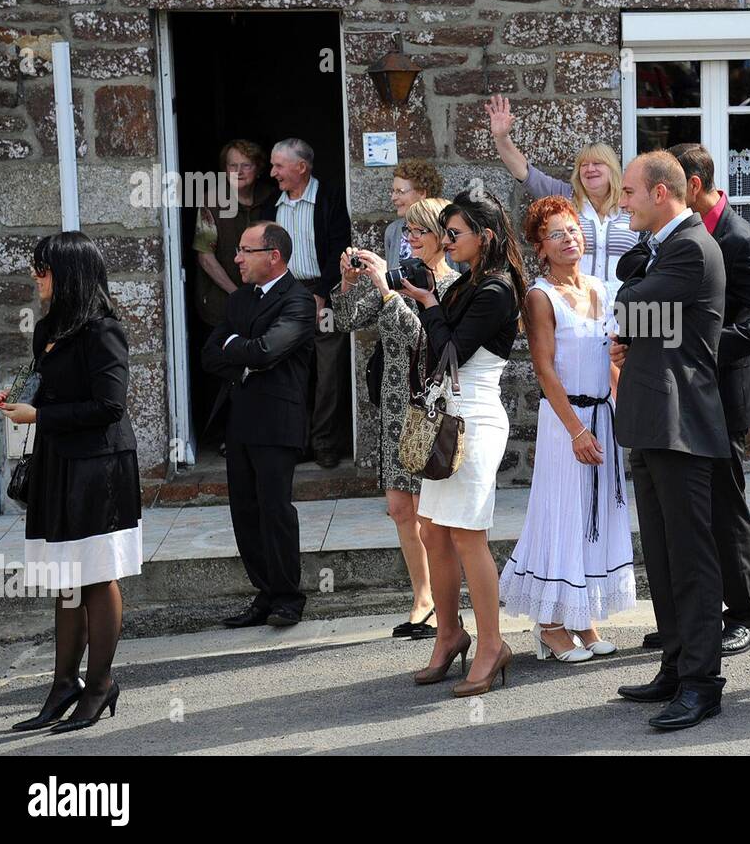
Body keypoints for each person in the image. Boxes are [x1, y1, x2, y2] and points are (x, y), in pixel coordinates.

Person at [631, 144, 750, 656]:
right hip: (676, 392)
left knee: (723, 507)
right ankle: (687, 622)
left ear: (690, 187)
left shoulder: (738, 238)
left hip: (720, 391)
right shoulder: (668, 239)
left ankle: (744, 614)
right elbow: (633, 279)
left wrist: (702, 348)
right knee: (681, 519)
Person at [0, 232, 142, 733]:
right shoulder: (50, 328)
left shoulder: (103, 330)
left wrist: (38, 412)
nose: (36, 277)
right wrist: (17, 394)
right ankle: (65, 683)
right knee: (65, 576)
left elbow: (110, 406)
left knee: (97, 575)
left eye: (44, 269)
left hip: (100, 465)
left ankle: (101, 684)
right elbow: (45, 380)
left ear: (71, 274)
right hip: (59, 460)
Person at [613, 150, 730, 731]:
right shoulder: (666, 247)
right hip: (656, 419)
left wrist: (630, 319)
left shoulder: (688, 247)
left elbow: (628, 305)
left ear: (662, 193)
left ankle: (703, 682)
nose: (622, 201)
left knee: (691, 557)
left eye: (630, 191)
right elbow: (635, 301)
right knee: (661, 556)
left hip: (681, 422)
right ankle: (676, 664)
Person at [500, 196, 635, 663]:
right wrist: (577, 431)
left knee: (595, 518)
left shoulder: (599, 286)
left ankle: (581, 617)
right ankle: (551, 625)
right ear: (540, 247)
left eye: (573, 229)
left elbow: (609, 361)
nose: (569, 238)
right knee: (563, 513)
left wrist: (625, 412)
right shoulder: (540, 296)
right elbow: (544, 371)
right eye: (556, 233)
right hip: (566, 424)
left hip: (605, 417)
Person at [405, 188, 525, 697]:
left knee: (466, 534)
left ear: (486, 236)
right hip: (448, 415)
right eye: (445, 233)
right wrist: (431, 296)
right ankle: (450, 633)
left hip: (473, 417)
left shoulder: (496, 289)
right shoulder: (466, 283)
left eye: (454, 234)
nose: (446, 241)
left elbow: (450, 349)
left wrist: (428, 303)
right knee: (432, 530)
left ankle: (493, 643)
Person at [335, 197, 461, 639]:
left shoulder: (452, 287)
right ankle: (422, 596)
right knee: (398, 508)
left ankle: (443, 604)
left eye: (417, 232)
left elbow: (423, 340)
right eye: (406, 232)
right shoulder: (400, 276)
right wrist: (349, 282)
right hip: (391, 407)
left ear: (441, 238)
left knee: (429, 515)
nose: (408, 239)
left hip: (426, 406)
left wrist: (389, 293)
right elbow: (347, 320)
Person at [202, 222, 316, 628]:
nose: (236, 259)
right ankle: (265, 593)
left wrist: (238, 347)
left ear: (274, 256)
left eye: (244, 251)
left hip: (277, 420)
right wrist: (241, 350)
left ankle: (288, 597)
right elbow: (209, 356)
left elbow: (268, 351)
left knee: (274, 509)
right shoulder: (240, 301)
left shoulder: (299, 301)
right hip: (240, 418)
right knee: (245, 511)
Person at [485, 94, 637, 304]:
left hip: (624, 305)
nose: (590, 169)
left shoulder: (631, 205)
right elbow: (525, 173)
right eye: (584, 164)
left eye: (598, 163)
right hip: (576, 305)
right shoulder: (565, 197)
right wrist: (501, 138)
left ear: (612, 169)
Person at [262, 138, 352, 469]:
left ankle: (326, 443)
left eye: (279, 166)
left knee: (328, 369)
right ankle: (296, 443)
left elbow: (338, 247)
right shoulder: (271, 205)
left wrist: (320, 295)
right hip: (285, 296)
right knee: (289, 372)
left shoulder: (330, 199)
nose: (272, 173)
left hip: (322, 291)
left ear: (301, 167)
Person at [193, 139, 275, 453]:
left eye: (246, 165)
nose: (238, 171)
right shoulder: (212, 202)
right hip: (221, 303)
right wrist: (237, 293)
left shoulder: (271, 198)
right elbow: (204, 255)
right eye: (231, 165)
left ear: (259, 168)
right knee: (227, 369)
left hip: (265, 300)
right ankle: (228, 436)